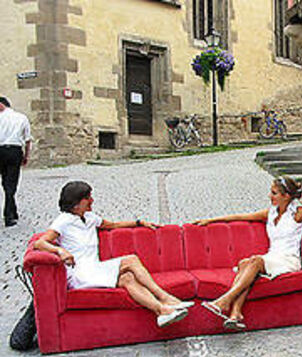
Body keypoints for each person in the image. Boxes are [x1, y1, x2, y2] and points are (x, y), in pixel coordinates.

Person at [34, 181, 194, 327]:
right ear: (76, 204)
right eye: (87, 198)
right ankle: (165, 297)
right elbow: (40, 243)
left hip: (94, 268)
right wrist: (60, 250)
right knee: (131, 260)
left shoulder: (89, 218)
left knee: (128, 279)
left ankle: (162, 311)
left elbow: (114, 225)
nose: (92, 201)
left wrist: (139, 223)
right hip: (80, 274)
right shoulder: (64, 220)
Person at [193, 176, 302, 330]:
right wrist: (211, 220)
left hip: (288, 259)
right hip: (272, 256)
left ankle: (226, 300)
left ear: (286, 196)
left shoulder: (298, 213)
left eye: (274, 193)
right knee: (245, 263)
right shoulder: (270, 213)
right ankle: (236, 313)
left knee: (255, 261)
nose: (269, 196)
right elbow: (240, 216)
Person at [0, 96, 31, 227]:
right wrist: (26, 156)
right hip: (14, 151)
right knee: (11, 183)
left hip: (0, 150)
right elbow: (28, 139)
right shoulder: (22, 117)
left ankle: (11, 211)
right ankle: (10, 214)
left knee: (5, 182)